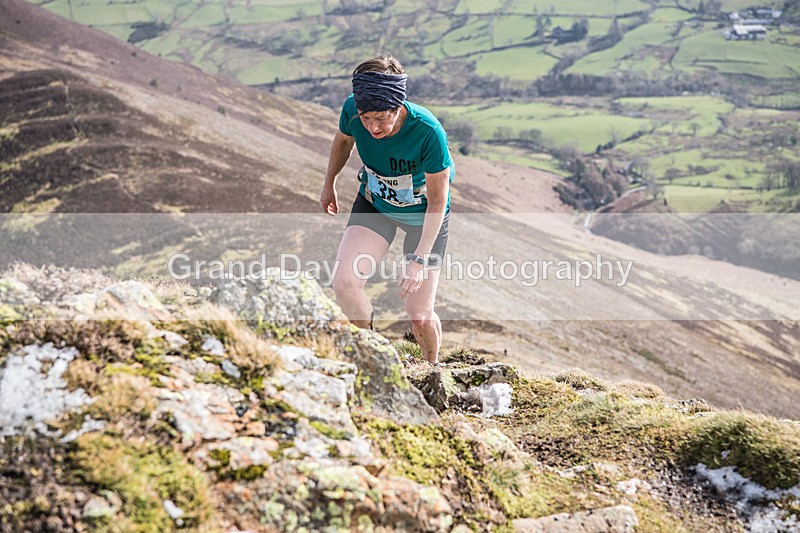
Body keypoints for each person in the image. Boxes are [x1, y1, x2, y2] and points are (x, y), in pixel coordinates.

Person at [320, 53, 455, 364]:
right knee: (344, 285)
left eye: (381, 118)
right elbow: (343, 141)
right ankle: (372, 355)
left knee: (419, 315)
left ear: (398, 106)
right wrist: (329, 183)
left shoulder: (428, 131)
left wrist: (419, 259)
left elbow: (438, 202)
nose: (372, 127)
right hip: (375, 204)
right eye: (366, 118)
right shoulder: (352, 109)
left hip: (423, 217)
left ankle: (432, 368)